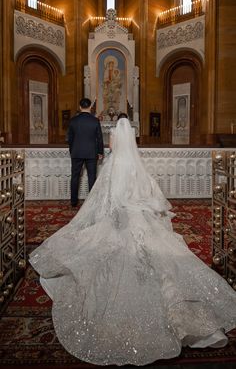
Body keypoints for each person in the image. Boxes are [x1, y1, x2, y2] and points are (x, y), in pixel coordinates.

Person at [29, 114, 236, 366]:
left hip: (124, 217)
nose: (112, 142)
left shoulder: (114, 165)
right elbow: (150, 191)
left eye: (113, 139)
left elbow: (108, 200)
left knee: (116, 252)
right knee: (159, 258)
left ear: (116, 138)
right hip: (140, 216)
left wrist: (107, 219)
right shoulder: (137, 164)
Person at [67, 97, 104, 207]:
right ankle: (92, 203)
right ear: (90, 107)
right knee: (92, 177)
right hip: (91, 153)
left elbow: (70, 139)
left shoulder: (73, 121)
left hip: (76, 152)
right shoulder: (95, 121)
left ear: (80, 107)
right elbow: (99, 138)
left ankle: (73, 202)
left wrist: (72, 150)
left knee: (75, 176)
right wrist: (100, 152)